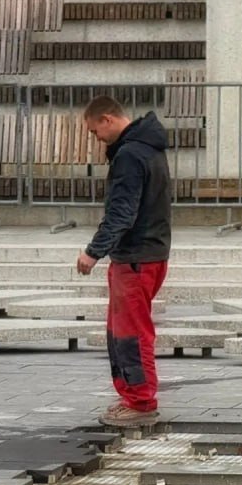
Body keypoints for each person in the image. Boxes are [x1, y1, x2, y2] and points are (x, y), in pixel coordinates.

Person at [76, 96, 173, 429]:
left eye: (95, 131)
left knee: (131, 334)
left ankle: (141, 401)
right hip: (148, 254)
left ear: (107, 119)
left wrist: (93, 251)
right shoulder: (149, 146)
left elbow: (122, 213)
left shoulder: (130, 154)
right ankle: (132, 395)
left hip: (136, 257)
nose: (96, 138)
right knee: (121, 332)